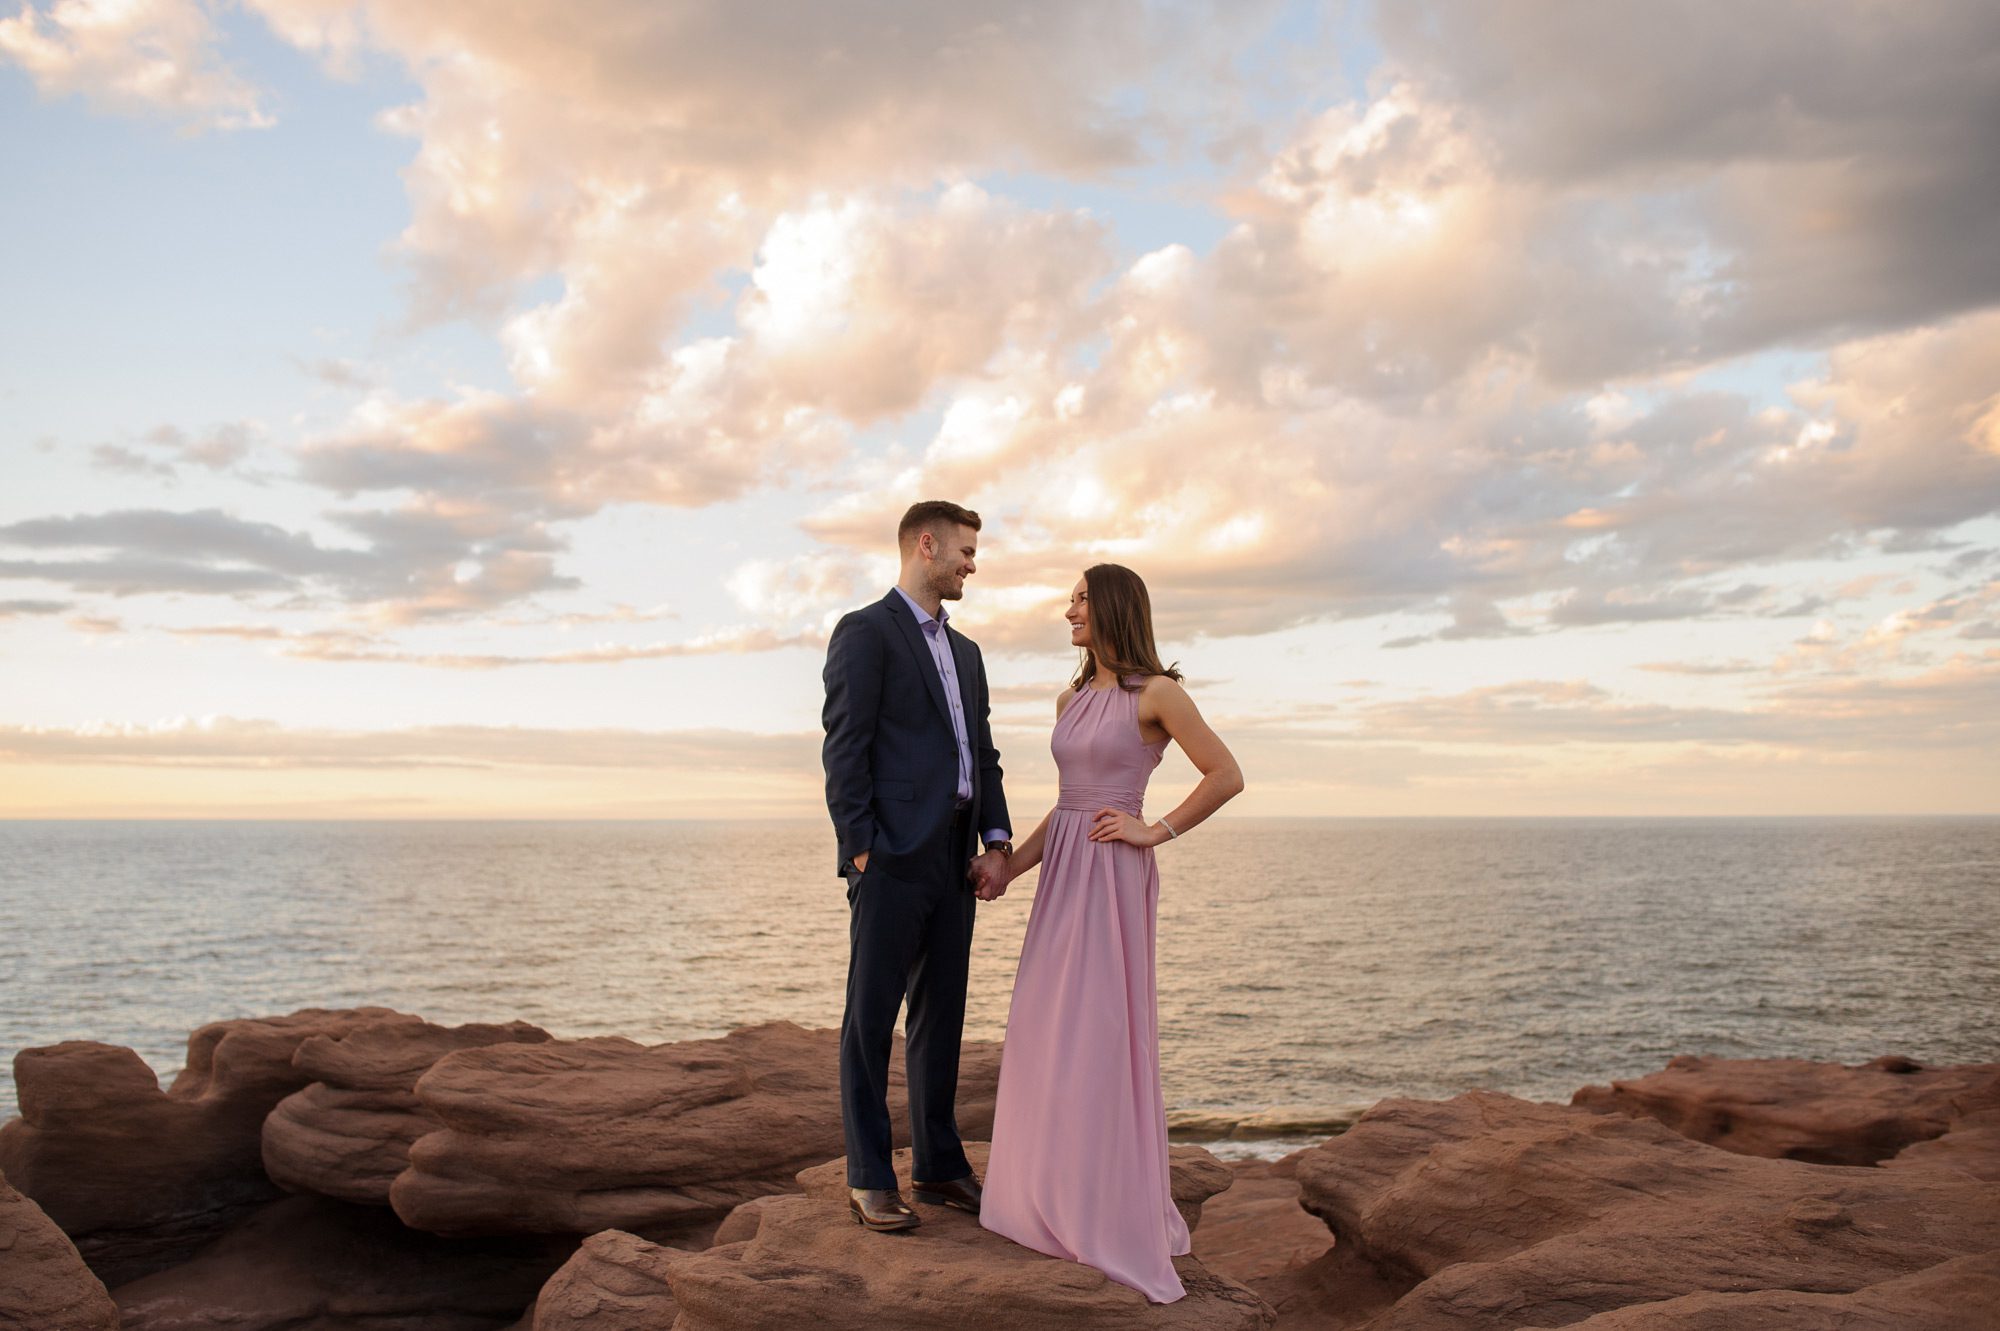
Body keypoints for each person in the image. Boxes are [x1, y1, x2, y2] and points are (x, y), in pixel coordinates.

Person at [977, 563, 1244, 1303]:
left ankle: (1101, 1210)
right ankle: (1042, 1197)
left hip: (1112, 878)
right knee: (1044, 1027)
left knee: (1097, 1032)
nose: (1068, 609)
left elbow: (1226, 774)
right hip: (1064, 874)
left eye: (1080, 599)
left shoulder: (1157, 692)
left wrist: (1153, 829)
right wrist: (1008, 868)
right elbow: (1065, 806)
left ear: (1113, 607)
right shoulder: (1070, 695)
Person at [821, 499, 1014, 1233]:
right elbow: (844, 745)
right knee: (870, 1020)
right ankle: (870, 1176)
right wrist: (863, 847)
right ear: (926, 544)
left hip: (955, 858)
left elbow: (982, 755)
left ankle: (937, 1166)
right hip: (891, 857)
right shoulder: (866, 631)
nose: (972, 563)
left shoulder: (967, 653)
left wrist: (996, 841)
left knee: (942, 1015)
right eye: (965, 550)